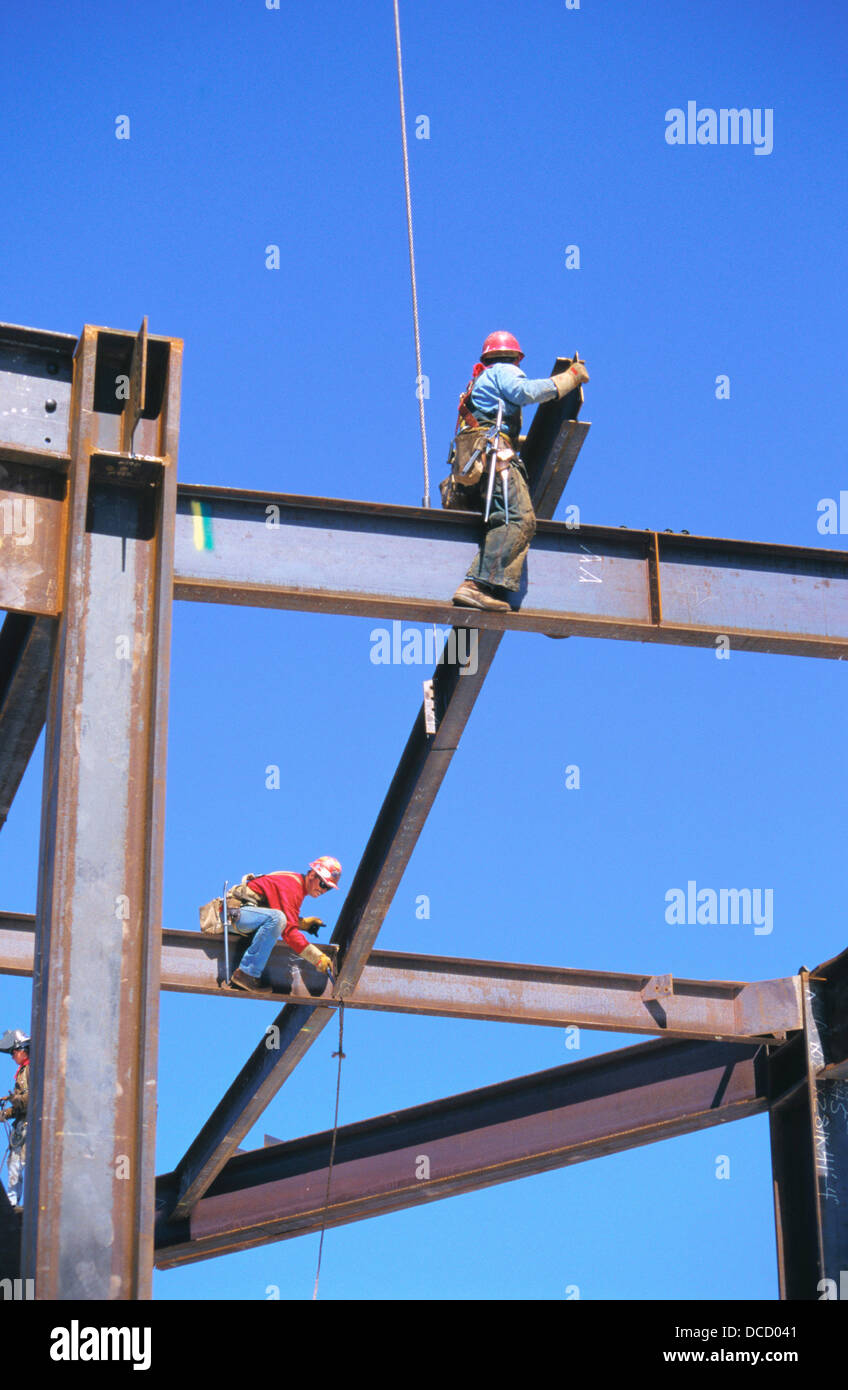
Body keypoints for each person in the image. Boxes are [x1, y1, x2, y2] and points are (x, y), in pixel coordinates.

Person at [450, 331, 589, 612]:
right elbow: (525, 393)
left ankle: (484, 582)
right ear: (516, 357)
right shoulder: (504, 371)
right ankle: (478, 585)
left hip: (476, 461)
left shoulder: (481, 379)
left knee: (500, 518)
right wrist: (570, 377)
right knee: (518, 519)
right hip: (495, 457)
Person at [228, 856, 342, 994]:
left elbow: (279, 915)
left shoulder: (296, 884)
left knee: (278, 918)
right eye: (323, 884)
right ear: (312, 874)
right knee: (278, 918)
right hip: (233, 916)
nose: (323, 891)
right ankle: (246, 974)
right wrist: (317, 957)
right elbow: (288, 931)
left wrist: (302, 924)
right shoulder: (292, 887)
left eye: (328, 888)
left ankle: (248, 972)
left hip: (242, 916)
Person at [0, 1029, 30, 1210]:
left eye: (13, 1053)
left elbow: (28, 1101)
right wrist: (7, 1113)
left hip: (27, 1125)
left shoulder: (29, 1070)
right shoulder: (25, 1070)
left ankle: (11, 1203)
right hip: (24, 1123)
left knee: (17, 1163)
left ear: (21, 1050)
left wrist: (12, 1101)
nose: (12, 1057)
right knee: (17, 1163)